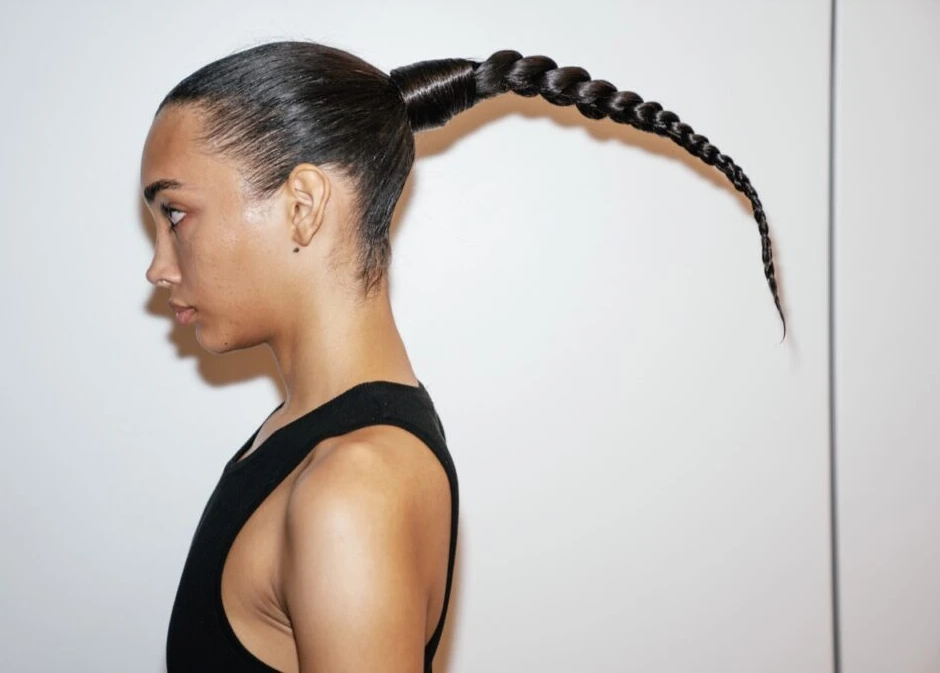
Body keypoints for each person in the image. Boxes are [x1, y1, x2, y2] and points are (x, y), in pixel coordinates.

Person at [140, 40, 786, 673]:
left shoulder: (353, 487)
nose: (158, 268)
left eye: (175, 214)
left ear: (303, 207)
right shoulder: (304, 440)